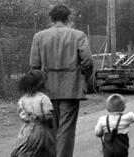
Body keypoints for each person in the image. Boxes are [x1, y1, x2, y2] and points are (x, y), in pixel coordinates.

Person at [29, 4, 94, 157]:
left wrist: (36, 88)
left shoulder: (39, 37)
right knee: (66, 130)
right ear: (68, 18)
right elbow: (88, 61)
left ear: (51, 18)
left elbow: (34, 66)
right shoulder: (78, 35)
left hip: (46, 90)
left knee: (50, 128)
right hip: (71, 89)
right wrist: (83, 77)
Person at [11, 70, 55, 157]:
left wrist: (30, 118)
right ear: (41, 84)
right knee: (46, 150)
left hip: (27, 129)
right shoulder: (43, 98)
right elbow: (48, 115)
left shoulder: (22, 100)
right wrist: (50, 124)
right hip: (41, 129)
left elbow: (22, 115)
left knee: (25, 147)